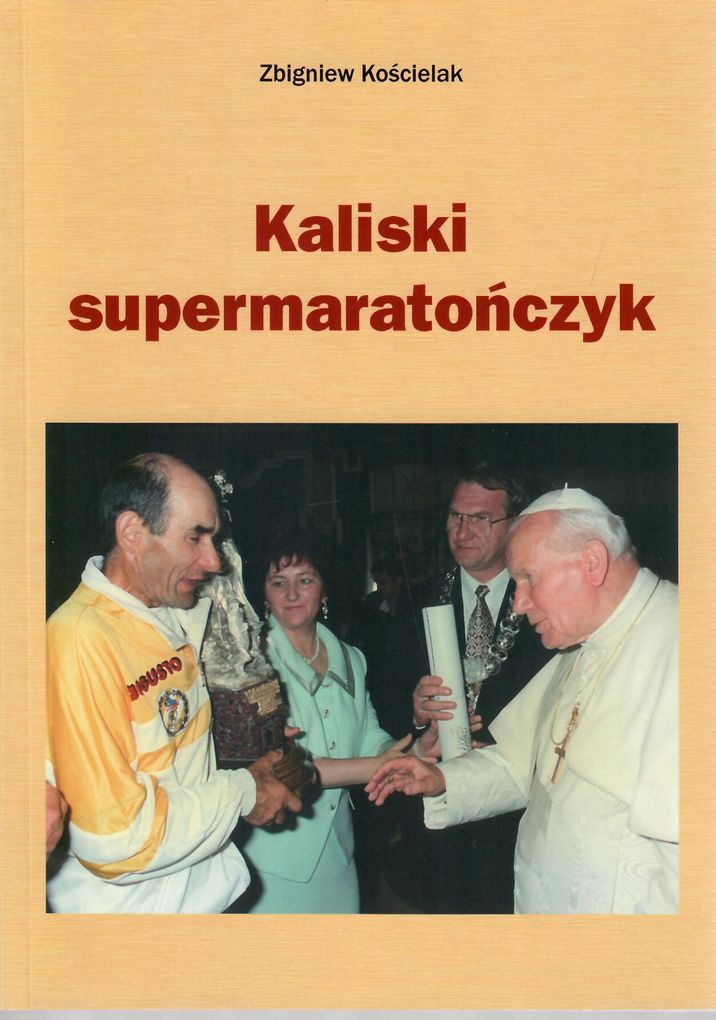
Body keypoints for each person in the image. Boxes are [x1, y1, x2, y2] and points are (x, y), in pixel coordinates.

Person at [366, 486, 678, 914]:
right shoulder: (582, 646)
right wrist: (441, 779)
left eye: (529, 578)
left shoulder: (683, 649)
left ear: (592, 562)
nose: (519, 603)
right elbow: (519, 764)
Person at [45, 453, 301, 913]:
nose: (214, 560)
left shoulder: (170, 615)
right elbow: (118, 841)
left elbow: (173, 747)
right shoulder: (82, 638)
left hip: (200, 898)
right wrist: (245, 791)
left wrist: (254, 750)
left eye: (214, 538)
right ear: (132, 534)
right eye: (195, 537)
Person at [234, 532, 434, 913]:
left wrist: (410, 753)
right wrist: (379, 765)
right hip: (271, 860)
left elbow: (368, 736)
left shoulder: (352, 658)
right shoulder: (251, 665)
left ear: (324, 589)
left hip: (338, 853)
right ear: (264, 594)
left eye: (305, 580)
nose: (292, 594)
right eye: (279, 583)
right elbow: (289, 766)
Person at [408, 464, 553, 912]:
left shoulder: (546, 602)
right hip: (438, 808)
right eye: (456, 516)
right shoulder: (417, 600)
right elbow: (382, 698)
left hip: (518, 813)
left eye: (480, 518)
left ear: (515, 524)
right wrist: (415, 713)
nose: (463, 530)